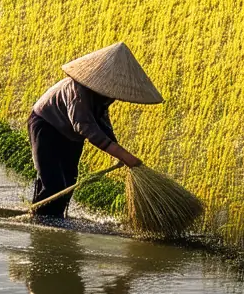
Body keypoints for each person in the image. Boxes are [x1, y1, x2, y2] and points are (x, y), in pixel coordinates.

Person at [29, 42, 163, 218]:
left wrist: (117, 148)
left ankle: (56, 217)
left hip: (70, 134)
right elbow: (85, 126)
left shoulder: (104, 95)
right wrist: (123, 155)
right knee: (52, 180)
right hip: (46, 125)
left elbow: (101, 121)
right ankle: (41, 219)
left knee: (69, 179)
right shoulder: (77, 91)